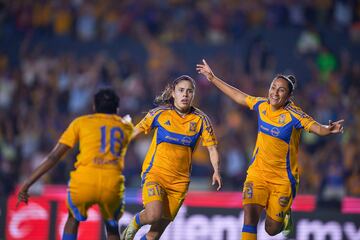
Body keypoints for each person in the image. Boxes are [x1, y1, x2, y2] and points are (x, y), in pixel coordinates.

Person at [197, 59, 344, 239]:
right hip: (257, 173)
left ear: (288, 97)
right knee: (250, 215)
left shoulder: (294, 115)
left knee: (272, 229)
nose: (275, 92)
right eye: (273, 87)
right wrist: (213, 78)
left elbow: (316, 127)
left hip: (282, 180)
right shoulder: (262, 105)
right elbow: (239, 96)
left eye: (281, 90)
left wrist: (328, 130)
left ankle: (285, 215)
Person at [17, 88, 134, 240]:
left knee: (73, 219)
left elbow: (53, 157)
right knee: (112, 227)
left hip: (84, 181)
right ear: (117, 109)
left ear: (94, 106)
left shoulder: (81, 122)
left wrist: (27, 184)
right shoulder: (126, 127)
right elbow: (128, 126)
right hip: (111, 183)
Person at [121, 75, 222, 240]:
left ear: (193, 95)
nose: (185, 95)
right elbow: (134, 132)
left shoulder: (201, 120)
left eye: (189, 91)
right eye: (181, 90)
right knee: (153, 214)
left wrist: (216, 171)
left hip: (179, 184)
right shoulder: (159, 114)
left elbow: (212, 148)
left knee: (154, 235)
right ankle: (134, 223)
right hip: (156, 175)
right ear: (173, 93)